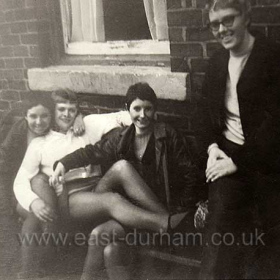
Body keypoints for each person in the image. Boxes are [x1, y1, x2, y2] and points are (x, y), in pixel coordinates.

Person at [51, 82, 199, 280]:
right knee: (98, 235)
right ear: (128, 109)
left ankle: (167, 222)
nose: (142, 115)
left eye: (148, 108)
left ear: (155, 110)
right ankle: (165, 223)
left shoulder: (167, 135)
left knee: (111, 251)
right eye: (137, 108)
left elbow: (190, 174)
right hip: (132, 212)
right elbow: (92, 151)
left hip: (160, 207)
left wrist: (182, 208)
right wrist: (63, 163)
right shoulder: (122, 138)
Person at [195, 0, 280, 278]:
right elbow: (205, 114)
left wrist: (238, 162)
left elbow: (275, 126)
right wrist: (212, 149)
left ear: (246, 17)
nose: (221, 29)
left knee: (270, 238)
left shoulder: (271, 58)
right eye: (215, 24)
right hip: (227, 156)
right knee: (218, 225)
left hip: (269, 164)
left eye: (228, 20)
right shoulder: (217, 62)